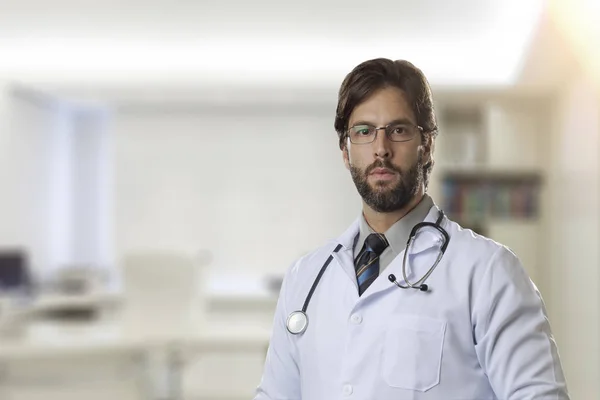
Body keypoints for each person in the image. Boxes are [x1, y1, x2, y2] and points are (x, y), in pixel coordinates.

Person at [254, 58, 569, 399]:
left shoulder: (488, 272)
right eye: (363, 132)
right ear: (345, 152)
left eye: (398, 130)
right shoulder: (306, 276)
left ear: (428, 144)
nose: (380, 149)